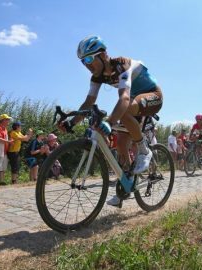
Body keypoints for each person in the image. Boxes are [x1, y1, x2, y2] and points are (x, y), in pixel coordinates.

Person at [62, 36, 163, 206]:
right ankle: (127, 183)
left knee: (123, 110)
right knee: (121, 144)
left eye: (89, 59)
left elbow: (123, 97)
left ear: (103, 55)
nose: (86, 65)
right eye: (82, 62)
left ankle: (143, 150)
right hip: (133, 103)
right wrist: (71, 122)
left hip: (153, 96)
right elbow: (88, 103)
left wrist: (109, 121)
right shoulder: (97, 76)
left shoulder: (121, 65)